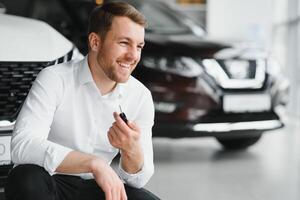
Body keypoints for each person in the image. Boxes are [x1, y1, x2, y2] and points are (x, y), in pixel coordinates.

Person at [5, 2, 160, 200]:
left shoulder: (140, 96)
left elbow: (137, 181)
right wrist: (93, 163)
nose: (133, 55)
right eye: (123, 43)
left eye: (139, 46)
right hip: (50, 183)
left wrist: (132, 151)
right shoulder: (54, 78)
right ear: (95, 42)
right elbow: (22, 146)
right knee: (26, 178)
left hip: (96, 188)